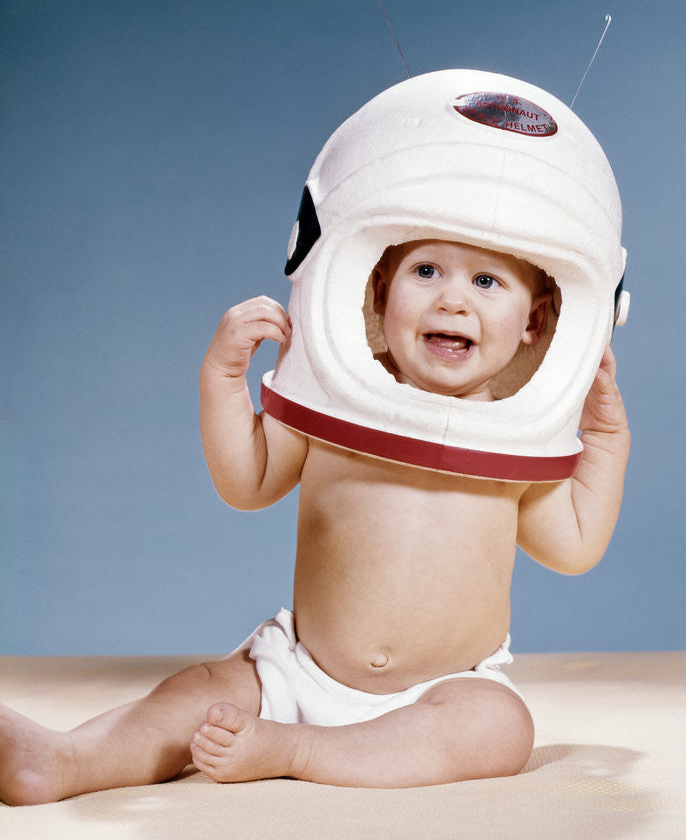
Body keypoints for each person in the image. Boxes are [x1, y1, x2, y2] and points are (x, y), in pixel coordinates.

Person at [0, 238, 629, 805]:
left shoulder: (517, 441)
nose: (452, 300)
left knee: (498, 729)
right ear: (379, 293)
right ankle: (64, 760)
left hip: (441, 688)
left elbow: (574, 545)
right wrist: (222, 378)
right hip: (297, 670)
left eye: (487, 282)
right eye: (427, 270)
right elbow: (246, 483)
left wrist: (605, 434)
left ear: (535, 321)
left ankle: (294, 751)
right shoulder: (335, 399)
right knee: (200, 690)